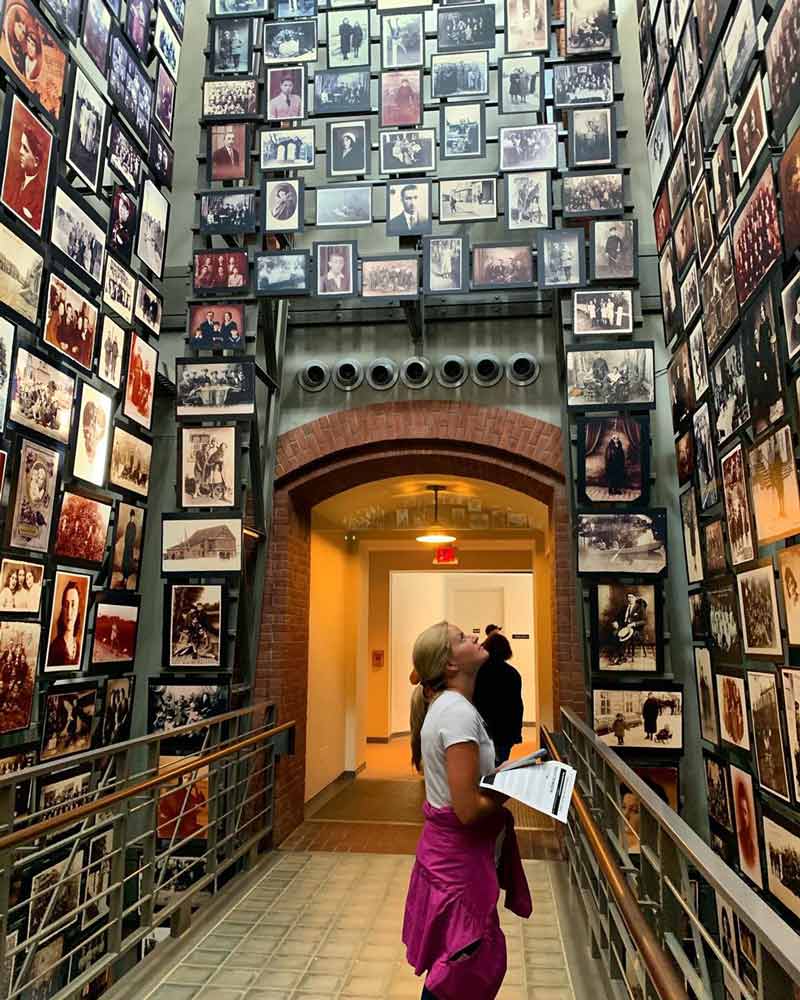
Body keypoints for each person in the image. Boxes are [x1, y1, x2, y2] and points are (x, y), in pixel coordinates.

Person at [403, 622, 532, 1000]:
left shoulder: (452, 708)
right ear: (449, 665)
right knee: (462, 966)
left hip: (453, 860)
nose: (475, 637)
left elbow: (466, 790)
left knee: (457, 962)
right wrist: (513, 786)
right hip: (459, 865)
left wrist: (499, 775)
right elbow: (468, 810)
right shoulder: (457, 714)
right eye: (462, 638)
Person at [472, 631, 524, 766]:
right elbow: (517, 706)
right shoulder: (513, 674)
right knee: (500, 768)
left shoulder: (477, 672)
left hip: (482, 729)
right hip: (504, 731)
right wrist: (516, 734)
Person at [47, 581, 83, 668]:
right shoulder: (55, 648)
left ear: (78, 609)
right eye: (66, 605)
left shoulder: (77, 646)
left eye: (73, 605)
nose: (69, 612)